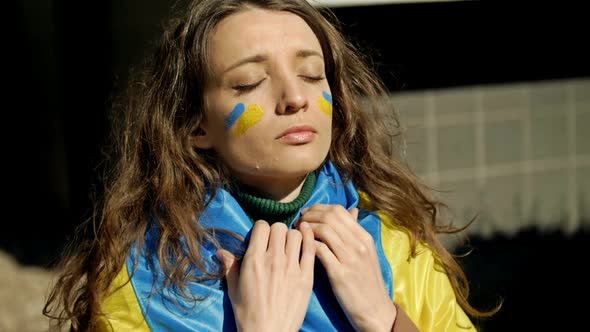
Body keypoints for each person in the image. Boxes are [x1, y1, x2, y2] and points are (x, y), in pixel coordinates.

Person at [44, 0, 497, 331]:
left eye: (311, 74)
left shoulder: (396, 248)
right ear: (195, 123)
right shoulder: (142, 283)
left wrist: (385, 319)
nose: (296, 98)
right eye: (249, 82)